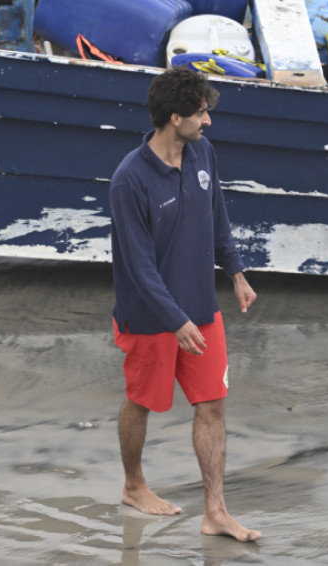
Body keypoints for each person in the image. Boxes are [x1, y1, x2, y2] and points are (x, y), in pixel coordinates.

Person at [108, 66, 261, 542]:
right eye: (200, 113)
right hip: (151, 317)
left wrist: (235, 272)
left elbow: (217, 214)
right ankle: (134, 485)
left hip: (201, 308)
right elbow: (138, 266)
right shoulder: (129, 181)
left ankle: (215, 511)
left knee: (212, 405)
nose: (207, 121)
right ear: (174, 118)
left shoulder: (202, 153)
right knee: (142, 403)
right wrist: (174, 321)